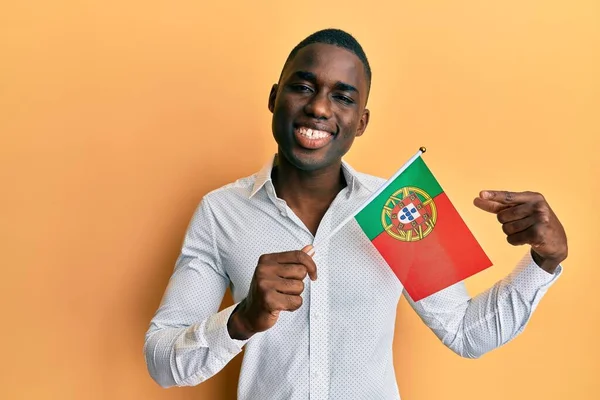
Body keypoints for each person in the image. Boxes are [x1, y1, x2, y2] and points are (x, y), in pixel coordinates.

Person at [144, 28, 567, 399]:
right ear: (275, 98)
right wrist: (242, 319)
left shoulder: (400, 205)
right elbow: (162, 362)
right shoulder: (221, 212)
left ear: (360, 121)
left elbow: (466, 332)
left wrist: (544, 261)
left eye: (342, 97)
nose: (320, 109)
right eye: (304, 87)